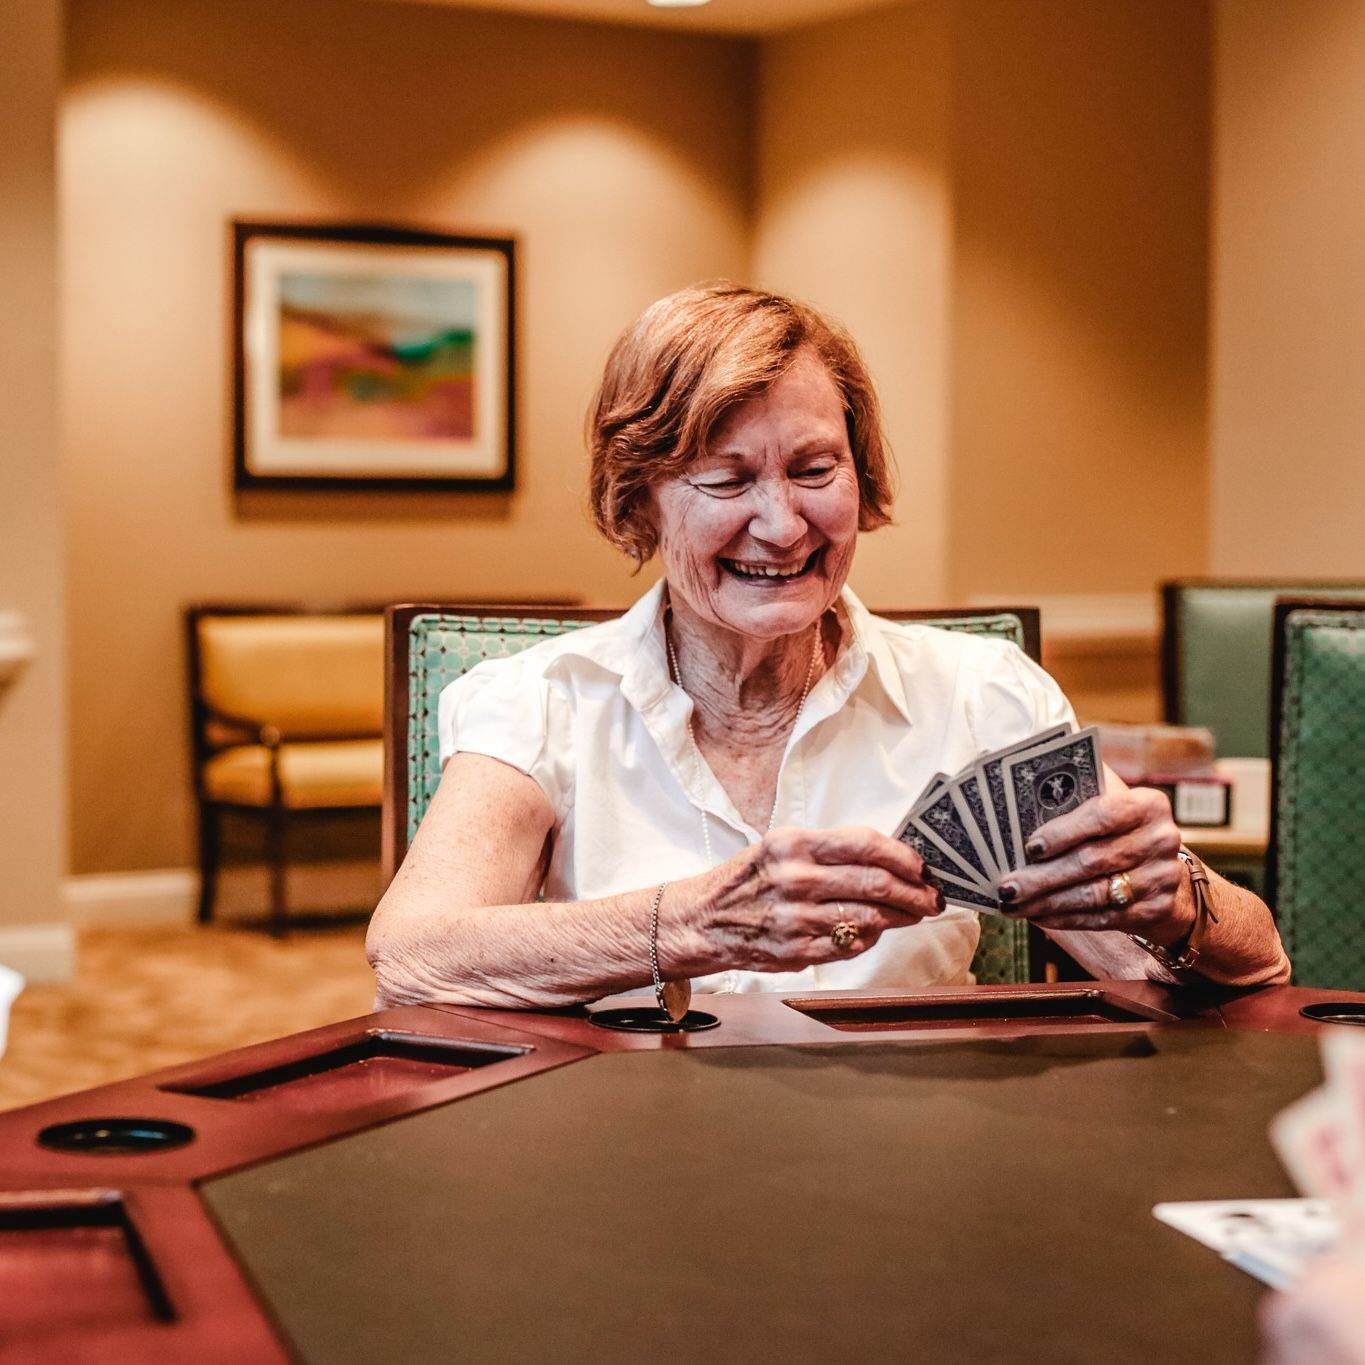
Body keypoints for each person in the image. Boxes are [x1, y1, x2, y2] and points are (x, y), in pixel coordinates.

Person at [367, 283, 1289, 1009]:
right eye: (726, 479)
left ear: (862, 473)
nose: (781, 523)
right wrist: (697, 923)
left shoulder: (980, 697)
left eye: (815, 471)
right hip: (629, 1165)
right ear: (637, 497)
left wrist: (1178, 913)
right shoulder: (539, 702)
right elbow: (412, 956)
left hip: (920, 1164)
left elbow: (1231, 974)